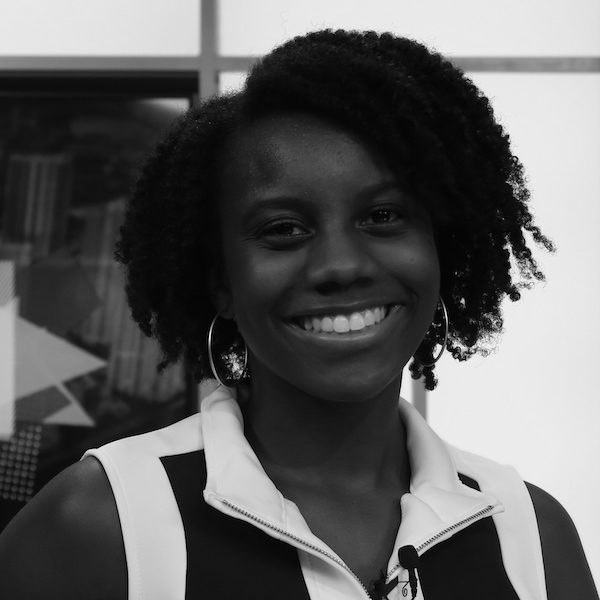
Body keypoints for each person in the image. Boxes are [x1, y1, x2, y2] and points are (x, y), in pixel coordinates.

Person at [0, 29, 597, 600]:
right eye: (282, 229)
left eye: (384, 216)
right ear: (222, 283)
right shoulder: (100, 523)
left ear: (443, 247)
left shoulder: (532, 533)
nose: (340, 265)